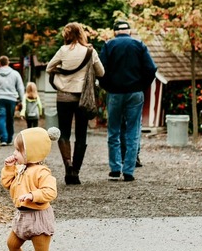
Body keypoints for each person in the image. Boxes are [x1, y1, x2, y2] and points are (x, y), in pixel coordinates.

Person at [46, 22, 104, 185]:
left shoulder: (63, 51)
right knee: (81, 133)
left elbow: (49, 67)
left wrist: (62, 72)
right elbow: (101, 72)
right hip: (83, 99)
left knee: (64, 132)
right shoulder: (90, 51)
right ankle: (76, 171)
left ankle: (68, 165)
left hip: (64, 96)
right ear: (81, 33)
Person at [99, 20, 156, 182]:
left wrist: (108, 86)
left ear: (114, 32)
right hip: (135, 93)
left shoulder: (109, 45)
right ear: (129, 31)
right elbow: (151, 69)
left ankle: (115, 168)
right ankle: (129, 170)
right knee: (133, 130)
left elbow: (100, 70)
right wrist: (141, 86)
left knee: (114, 131)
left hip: (115, 93)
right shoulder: (139, 45)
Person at [2, 126, 60, 251]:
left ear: (31, 152)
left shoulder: (42, 172)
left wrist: (33, 195)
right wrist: (9, 168)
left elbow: (51, 192)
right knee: (12, 244)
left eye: (18, 150)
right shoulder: (20, 168)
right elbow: (7, 183)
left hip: (38, 218)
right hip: (22, 216)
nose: (14, 153)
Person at [0, 56, 25, 146]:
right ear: (8, 63)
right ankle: (9, 139)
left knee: (1, 118)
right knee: (10, 118)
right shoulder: (15, 74)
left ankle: (3, 139)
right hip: (12, 99)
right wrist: (21, 100)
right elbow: (20, 87)